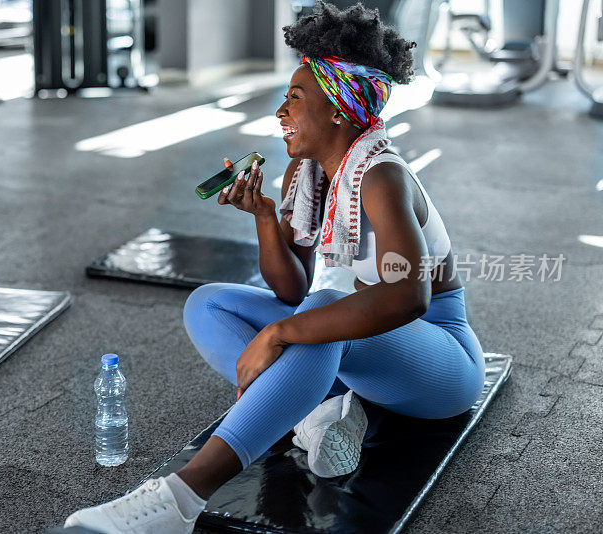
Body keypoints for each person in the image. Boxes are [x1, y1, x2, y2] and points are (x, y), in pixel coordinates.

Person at [64, 2, 485, 532]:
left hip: (438, 360)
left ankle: (177, 502)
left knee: (322, 318)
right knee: (210, 303)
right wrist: (265, 218)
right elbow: (291, 288)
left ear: (338, 108)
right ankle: (318, 410)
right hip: (358, 347)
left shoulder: (382, 176)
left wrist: (283, 332)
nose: (280, 112)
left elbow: (407, 298)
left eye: (294, 98)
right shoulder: (303, 176)